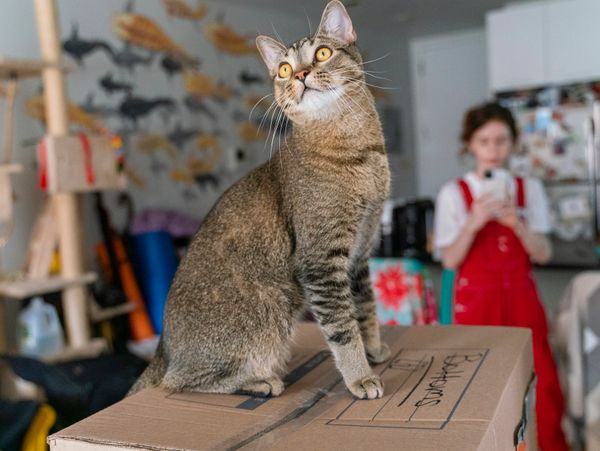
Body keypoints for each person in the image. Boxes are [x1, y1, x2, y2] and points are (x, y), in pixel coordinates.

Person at [434, 102, 568, 451]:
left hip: (523, 302)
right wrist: (474, 222)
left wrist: (517, 225)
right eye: (484, 141)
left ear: (513, 143)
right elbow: (449, 261)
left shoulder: (529, 190)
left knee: (542, 383)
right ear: (470, 145)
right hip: (476, 305)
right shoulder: (453, 194)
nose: (493, 150)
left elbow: (544, 255)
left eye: (501, 140)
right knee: (479, 386)